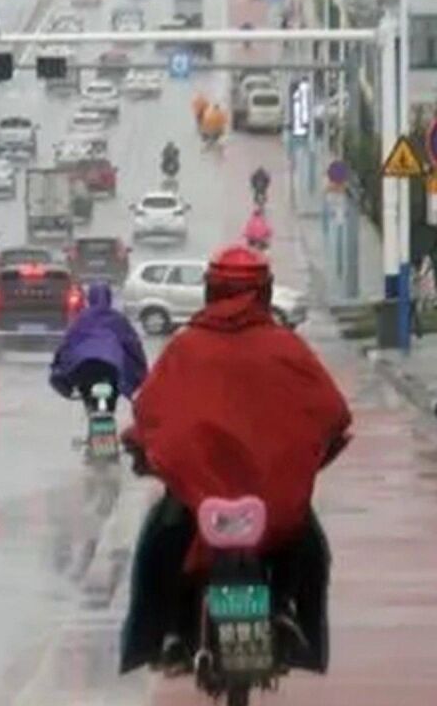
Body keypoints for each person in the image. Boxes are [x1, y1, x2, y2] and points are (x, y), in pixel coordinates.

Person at [119, 245, 352, 675]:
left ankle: (167, 634)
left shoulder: (186, 348)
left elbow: (152, 413)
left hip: (196, 504)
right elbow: (332, 413)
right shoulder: (287, 348)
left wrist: (147, 450)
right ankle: (296, 625)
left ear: (210, 291)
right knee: (311, 550)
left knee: (157, 544)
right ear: (263, 293)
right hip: (277, 508)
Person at [49, 282, 148, 413]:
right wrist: (142, 372)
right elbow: (133, 346)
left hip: (84, 368)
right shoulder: (117, 319)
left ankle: (92, 416)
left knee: (90, 402)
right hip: (112, 369)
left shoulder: (82, 318)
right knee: (110, 404)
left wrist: (58, 368)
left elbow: (67, 344)